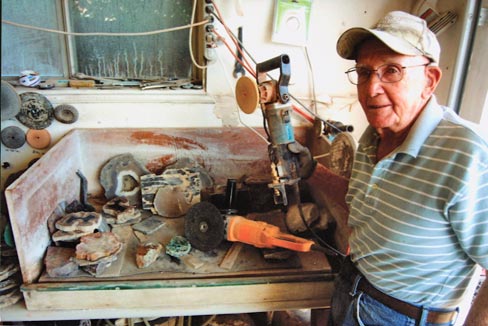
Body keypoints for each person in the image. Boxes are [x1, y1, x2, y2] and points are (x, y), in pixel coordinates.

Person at [292, 10, 488, 326]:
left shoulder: (467, 153)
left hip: (402, 317)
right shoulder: (375, 135)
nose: (371, 89)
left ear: (430, 80)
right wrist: (312, 171)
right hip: (349, 294)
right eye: (365, 72)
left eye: (392, 71)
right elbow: (369, 202)